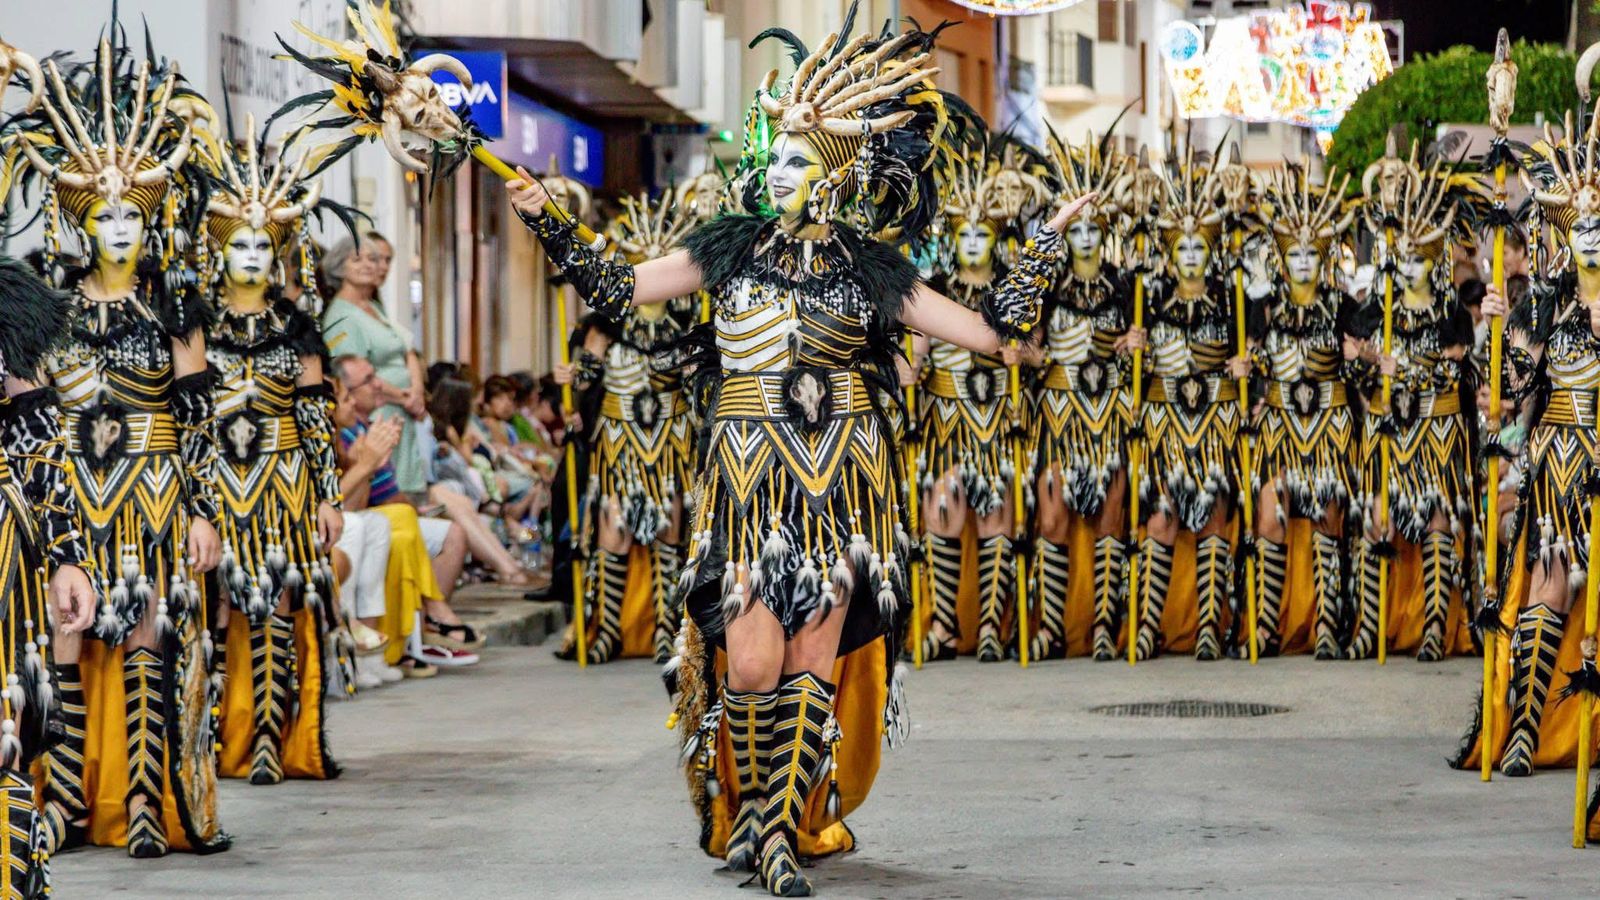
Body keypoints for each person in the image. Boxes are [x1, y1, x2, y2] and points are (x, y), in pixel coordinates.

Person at [507, 9, 1092, 893]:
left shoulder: (874, 270)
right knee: (750, 664)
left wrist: (1045, 245)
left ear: (836, 177)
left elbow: (987, 333)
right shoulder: (726, 249)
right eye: (774, 158)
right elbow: (619, 289)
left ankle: (780, 831)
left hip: (842, 487)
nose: (775, 172)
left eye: (796, 161)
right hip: (748, 481)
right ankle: (751, 813)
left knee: (814, 663)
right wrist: (549, 221)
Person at [14, 34, 232, 857]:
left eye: (132, 215)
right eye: (104, 215)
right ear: (79, 220)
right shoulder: (44, 305)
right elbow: (30, 415)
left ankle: (143, 801)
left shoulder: (176, 309)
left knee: (146, 628)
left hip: (154, 486)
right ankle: (66, 802)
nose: (119, 228)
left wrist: (205, 510)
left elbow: (198, 417)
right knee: (64, 631)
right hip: (68, 489)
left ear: (150, 220)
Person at [1454, 105, 1600, 799]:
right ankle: (1523, 728)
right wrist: (1496, 330)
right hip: (1559, 464)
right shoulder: (1546, 304)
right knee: (1548, 588)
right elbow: (1509, 392)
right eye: (1582, 222)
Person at [200, 121, 345, 784]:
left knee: (281, 601)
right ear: (219, 248)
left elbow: (314, 417)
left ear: (280, 252)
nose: (253, 256)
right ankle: (218, 734)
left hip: (284, 480)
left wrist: (328, 496)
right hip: (214, 481)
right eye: (240, 243)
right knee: (219, 605)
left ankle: (269, 735)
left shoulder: (298, 327)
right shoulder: (194, 326)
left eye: (264, 244)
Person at [911, 140, 1044, 662]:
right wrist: (911, 362)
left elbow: (1038, 351)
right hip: (947, 416)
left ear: (994, 240)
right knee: (942, 511)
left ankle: (991, 625)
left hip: (996, 417)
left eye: (980, 234)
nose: (971, 243)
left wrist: (1022, 356)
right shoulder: (937, 287)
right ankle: (945, 626)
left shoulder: (1010, 292)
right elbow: (915, 354)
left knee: (996, 517)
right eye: (963, 234)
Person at [552, 192, 697, 664]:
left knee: (669, 529)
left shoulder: (689, 321)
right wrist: (573, 379)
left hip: (671, 435)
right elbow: (587, 378)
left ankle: (667, 628)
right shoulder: (604, 323)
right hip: (618, 437)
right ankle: (608, 629)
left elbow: (698, 380)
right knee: (613, 529)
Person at [1346, 141, 1477, 662]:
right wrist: (1370, 366)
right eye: (1401, 259)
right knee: (1377, 520)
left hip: (1439, 434)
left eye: (1416, 261)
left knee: (1437, 523)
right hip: (1389, 432)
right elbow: (1356, 372)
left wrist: (1405, 368)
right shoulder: (1376, 310)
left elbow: (1459, 370)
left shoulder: (1451, 314)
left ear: (1433, 261)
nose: (1407, 268)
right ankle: (1369, 625)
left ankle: (1435, 627)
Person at [1238, 162, 1366, 658]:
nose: (1305, 262)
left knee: (1327, 519)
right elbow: (1252, 361)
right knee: (1270, 515)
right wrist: (1246, 371)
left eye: (1313, 253)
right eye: (1295, 253)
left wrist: (1360, 358)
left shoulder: (1342, 305)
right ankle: (1265, 625)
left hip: (1330, 424)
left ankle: (1328, 624)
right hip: (1279, 425)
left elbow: (1364, 368)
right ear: (1282, 258)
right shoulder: (1264, 307)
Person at [0, 255, 97, 895]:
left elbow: (39, 443)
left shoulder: (7, 304)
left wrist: (67, 556)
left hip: (2, 545)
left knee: (2, 731)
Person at [1028, 132, 1137, 661]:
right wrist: (1028, 355)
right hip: (1059, 412)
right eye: (1079, 228)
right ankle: (1051, 628)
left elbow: (1141, 348)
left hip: (1110, 413)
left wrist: (1134, 345)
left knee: (1111, 520)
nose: (1087, 237)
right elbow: (1028, 342)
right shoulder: (1048, 286)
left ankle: (1103, 627)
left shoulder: (1126, 286)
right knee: (1053, 520)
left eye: (1095, 228)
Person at [1132, 150, 1243, 661]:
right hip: (1164, 424)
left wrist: (1245, 367)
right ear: (1171, 254)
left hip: (1216, 421)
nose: (1192, 255)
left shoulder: (1231, 299)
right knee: (1161, 520)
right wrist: (1130, 350)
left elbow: (1255, 352)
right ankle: (1147, 625)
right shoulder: (1149, 297)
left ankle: (1208, 628)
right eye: (1184, 247)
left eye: (1200, 246)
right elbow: (1130, 367)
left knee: (1213, 521)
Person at [331, 355, 480, 668]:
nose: (379, 385)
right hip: (356, 522)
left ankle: (415, 632)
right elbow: (346, 507)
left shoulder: (363, 427)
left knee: (437, 527)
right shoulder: (342, 435)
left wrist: (368, 464)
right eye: (366, 382)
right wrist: (366, 465)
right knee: (396, 522)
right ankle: (422, 624)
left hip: (381, 515)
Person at [322, 231, 428, 496]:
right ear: (340, 267)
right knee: (391, 491)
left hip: (401, 409)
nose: (369, 265)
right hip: (377, 411)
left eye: (373, 259)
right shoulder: (342, 316)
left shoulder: (373, 307)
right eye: (357, 259)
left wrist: (416, 390)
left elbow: (405, 349)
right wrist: (403, 397)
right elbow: (353, 376)